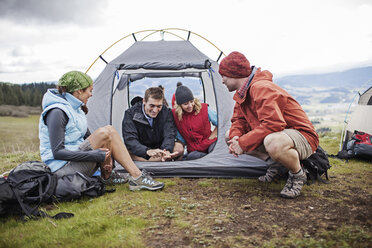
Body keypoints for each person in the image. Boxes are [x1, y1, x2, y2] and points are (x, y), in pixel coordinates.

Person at [39, 71, 164, 191]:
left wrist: (108, 158)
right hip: (62, 170)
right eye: (90, 90)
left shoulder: (75, 109)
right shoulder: (57, 112)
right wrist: (94, 155)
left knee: (108, 131)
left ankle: (108, 176)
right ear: (79, 91)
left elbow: (90, 137)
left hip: (75, 161)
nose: (91, 94)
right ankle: (137, 176)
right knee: (105, 133)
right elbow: (57, 153)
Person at [219, 52, 319, 199]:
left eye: (223, 76)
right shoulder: (242, 93)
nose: (222, 81)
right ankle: (276, 164)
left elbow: (274, 123)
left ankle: (298, 174)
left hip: (303, 136)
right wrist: (236, 139)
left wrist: (243, 143)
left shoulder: (260, 87)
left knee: (272, 141)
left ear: (234, 74)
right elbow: (239, 121)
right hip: (279, 133)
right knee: (229, 136)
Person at [122, 86, 182, 161]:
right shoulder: (130, 114)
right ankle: (156, 160)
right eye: (152, 106)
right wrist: (147, 151)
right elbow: (130, 139)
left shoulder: (167, 112)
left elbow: (169, 134)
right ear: (144, 101)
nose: (155, 110)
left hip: (160, 149)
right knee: (124, 150)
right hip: (142, 150)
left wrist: (166, 150)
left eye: (159, 106)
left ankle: (155, 159)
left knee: (179, 148)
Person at [172, 85, 218, 160]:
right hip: (194, 150)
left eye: (191, 101)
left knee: (214, 151)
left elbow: (220, 124)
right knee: (192, 157)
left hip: (210, 143)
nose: (190, 105)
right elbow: (181, 137)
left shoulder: (204, 109)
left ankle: (209, 158)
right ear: (180, 105)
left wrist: (209, 139)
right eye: (186, 104)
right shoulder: (176, 116)